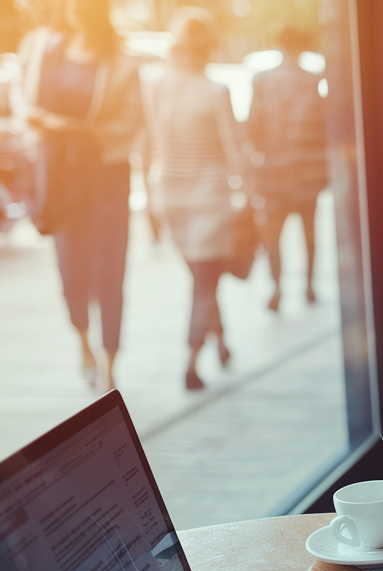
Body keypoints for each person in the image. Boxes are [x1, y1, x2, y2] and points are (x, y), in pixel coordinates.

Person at [16, 0, 141, 391]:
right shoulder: (45, 49)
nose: (70, 8)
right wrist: (45, 123)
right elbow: (26, 103)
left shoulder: (123, 61)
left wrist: (75, 129)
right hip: (61, 178)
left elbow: (130, 123)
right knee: (71, 269)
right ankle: (83, 342)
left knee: (110, 269)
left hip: (105, 176)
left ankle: (109, 361)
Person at [141, 8, 247, 390]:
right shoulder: (215, 90)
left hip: (169, 195)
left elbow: (148, 140)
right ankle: (190, 362)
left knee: (202, 277)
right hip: (210, 198)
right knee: (204, 283)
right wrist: (250, 195)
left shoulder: (152, 82)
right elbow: (234, 151)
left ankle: (221, 341)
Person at [247, 25, 327, 312]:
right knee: (309, 233)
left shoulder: (263, 80)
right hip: (308, 173)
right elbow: (324, 130)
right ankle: (308, 286)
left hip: (273, 173)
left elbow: (252, 126)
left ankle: (277, 287)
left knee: (273, 236)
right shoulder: (313, 81)